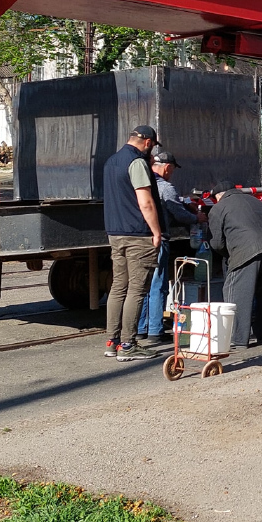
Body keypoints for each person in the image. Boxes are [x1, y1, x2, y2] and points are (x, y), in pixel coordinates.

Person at [103, 125, 164, 361]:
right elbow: (145, 202)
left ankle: (112, 341)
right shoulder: (136, 163)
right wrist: (156, 232)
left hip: (115, 233)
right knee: (137, 290)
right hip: (138, 234)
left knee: (119, 287)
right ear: (148, 142)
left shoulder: (111, 162)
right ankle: (128, 344)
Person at [137, 150, 200, 345]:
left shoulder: (142, 185)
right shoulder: (165, 187)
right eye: (171, 170)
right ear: (167, 167)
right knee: (158, 284)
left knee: (142, 285)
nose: (171, 173)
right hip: (159, 238)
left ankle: (141, 328)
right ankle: (155, 330)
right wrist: (197, 217)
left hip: (139, 239)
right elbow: (179, 214)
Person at [208, 179, 262, 348]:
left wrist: (228, 255)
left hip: (246, 250)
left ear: (219, 196)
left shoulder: (219, 208)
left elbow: (217, 243)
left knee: (236, 293)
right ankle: (261, 333)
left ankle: (238, 339)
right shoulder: (257, 202)